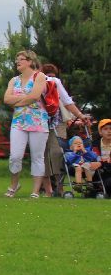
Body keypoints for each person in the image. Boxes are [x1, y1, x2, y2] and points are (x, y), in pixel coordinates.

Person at [3, 50, 51, 198]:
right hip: (18, 122)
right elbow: (6, 99)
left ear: (30, 61)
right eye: (17, 59)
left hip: (38, 121)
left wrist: (17, 101)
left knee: (37, 157)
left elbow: (35, 96)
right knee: (15, 156)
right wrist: (25, 98)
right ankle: (14, 184)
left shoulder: (39, 76)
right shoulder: (14, 80)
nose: (18, 61)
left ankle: (35, 191)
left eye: (21, 59)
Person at [39, 63, 89, 195]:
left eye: (52, 75)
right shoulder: (34, 82)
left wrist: (80, 115)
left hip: (57, 122)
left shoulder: (55, 83)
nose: (49, 77)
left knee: (57, 153)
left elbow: (67, 102)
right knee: (41, 155)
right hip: (38, 123)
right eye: (47, 75)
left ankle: (59, 187)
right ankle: (48, 189)